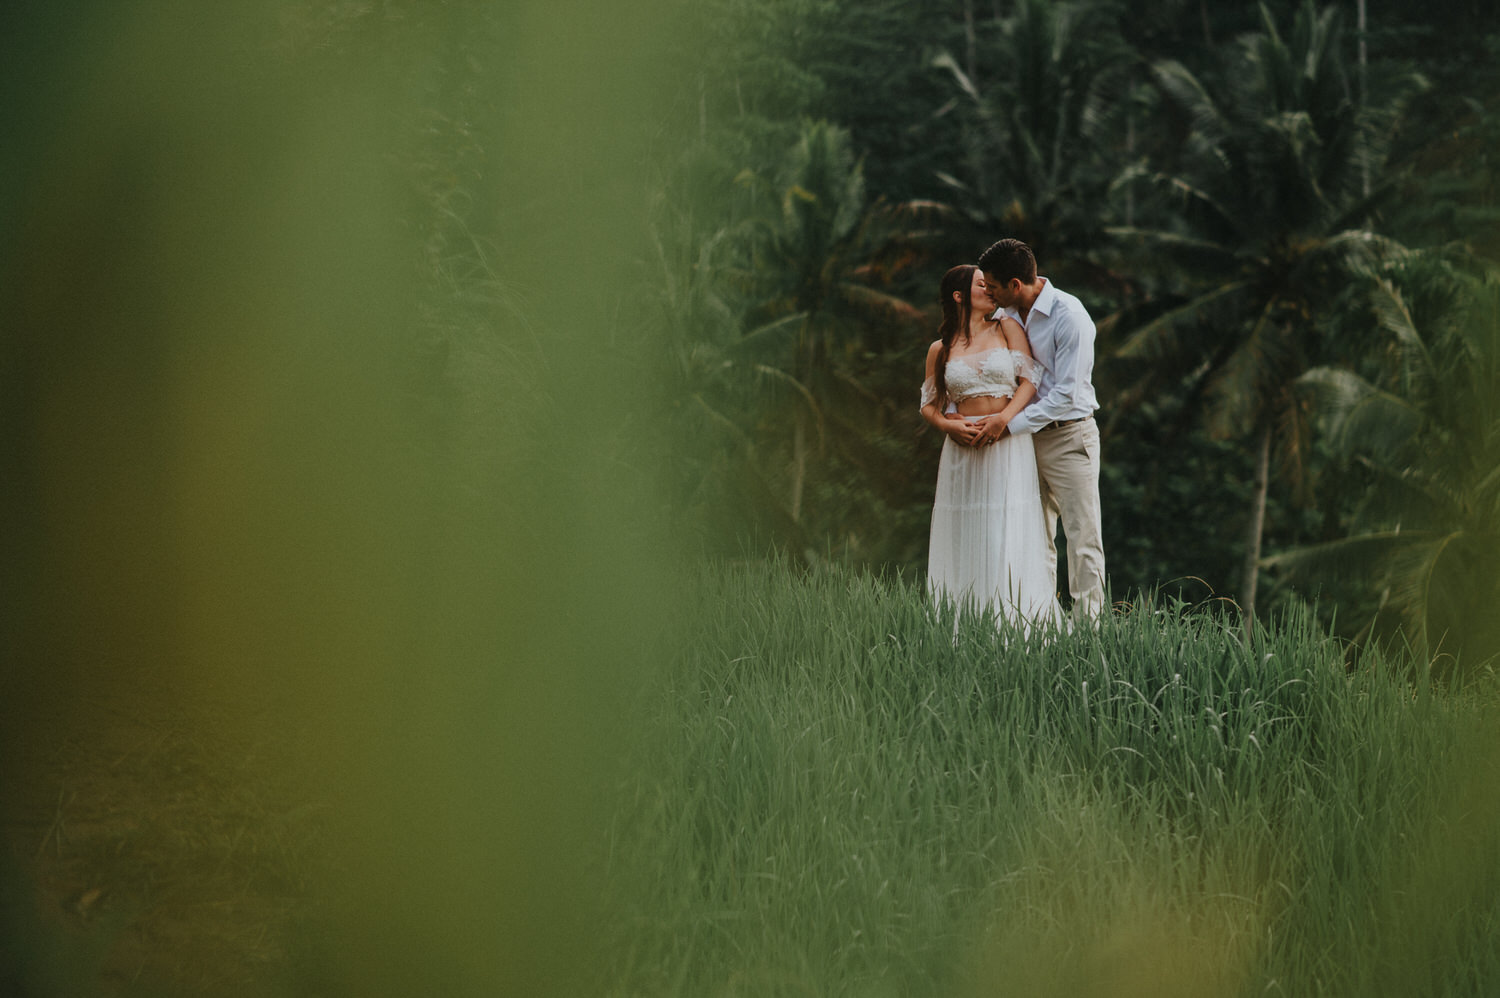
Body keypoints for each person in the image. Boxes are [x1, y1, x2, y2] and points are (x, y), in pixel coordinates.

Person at [920, 264, 1063, 630]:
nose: (991, 290)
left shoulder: (1007, 327)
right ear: (959, 296)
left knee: (1005, 526)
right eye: (983, 285)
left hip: (1007, 445)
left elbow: (1030, 381)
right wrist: (948, 425)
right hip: (962, 451)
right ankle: (964, 624)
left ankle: (1014, 624)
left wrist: (1005, 421)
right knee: (966, 529)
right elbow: (928, 404)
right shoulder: (941, 348)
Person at [976, 238, 1106, 620]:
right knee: (1034, 536)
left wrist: (1008, 425)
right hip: (1026, 439)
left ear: (1015, 285)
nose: (991, 295)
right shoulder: (1009, 316)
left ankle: (1090, 630)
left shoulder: (1071, 316)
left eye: (995, 287)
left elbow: (1066, 395)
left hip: (1069, 437)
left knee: (1083, 536)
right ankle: (1041, 623)